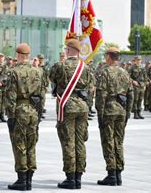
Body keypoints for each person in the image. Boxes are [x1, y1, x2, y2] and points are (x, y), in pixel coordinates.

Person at [54, 39, 92, 189]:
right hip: (82, 106)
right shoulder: (86, 67)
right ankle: (79, 177)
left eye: (65, 49)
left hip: (67, 105)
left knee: (68, 141)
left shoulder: (61, 66)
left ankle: (70, 178)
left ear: (69, 50)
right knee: (80, 142)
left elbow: (52, 78)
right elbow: (90, 84)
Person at [6, 43, 42, 191]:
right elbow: (41, 95)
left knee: (19, 144)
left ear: (19, 55)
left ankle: (22, 180)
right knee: (31, 144)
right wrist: (39, 112)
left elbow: (11, 95)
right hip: (33, 110)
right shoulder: (38, 72)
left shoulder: (14, 72)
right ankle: (29, 179)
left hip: (20, 110)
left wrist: (10, 116)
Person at [96, 47, 133, 186]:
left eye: (106, 56)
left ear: (109, 57)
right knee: (119, 141)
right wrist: (128, 112)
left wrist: (100, 114)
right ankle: (118, 174)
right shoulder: (125, 73)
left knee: (108, 141)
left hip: (109, 110)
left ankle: (111, 173)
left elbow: (101, 95)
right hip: (121, 111)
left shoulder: (106, 72)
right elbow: (131, 94)